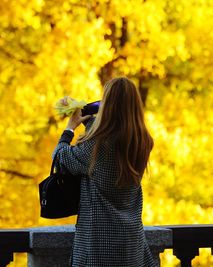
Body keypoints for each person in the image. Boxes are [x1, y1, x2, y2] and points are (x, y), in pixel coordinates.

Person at [52, 77, 156, 267]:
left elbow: (60, 157)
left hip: (98, 244)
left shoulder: (98, 145)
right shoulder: (143, 142)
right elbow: (111, 135)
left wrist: (69, 128)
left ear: (107, 104)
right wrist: (91, 121)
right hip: (131, 242)